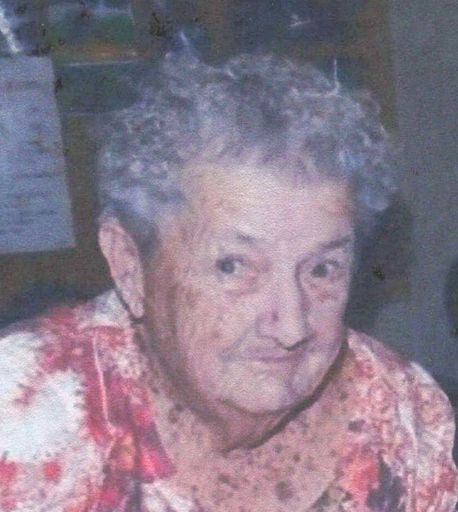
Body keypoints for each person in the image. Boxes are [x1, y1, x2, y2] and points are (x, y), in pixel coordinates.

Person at [1, 54, 457, 512]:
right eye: (234, 266)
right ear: (129, 265)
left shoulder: (401, 413)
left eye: (322, 269)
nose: (291, 327)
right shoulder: (23, 418)